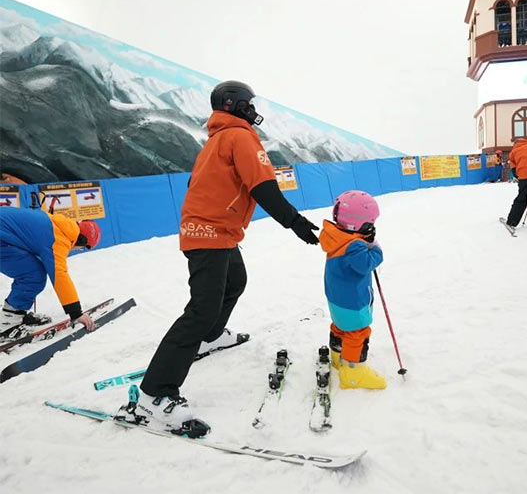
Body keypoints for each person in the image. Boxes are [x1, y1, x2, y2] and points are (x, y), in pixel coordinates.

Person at [121, 80, 320, 434]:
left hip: (217, 231)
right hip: (210, 233)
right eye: (249, 103)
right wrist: (296, 223)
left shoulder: (217, 139)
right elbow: (263, 187)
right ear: (234, 105)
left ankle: (210, 337)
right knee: (201, 310)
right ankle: (154, 396)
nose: (253, 109)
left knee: (235, 281)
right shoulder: (239, 136)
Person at [319, 190, 386, 390]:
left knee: (341, 327)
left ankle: (338, 357)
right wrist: (374, 246)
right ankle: (353, 373)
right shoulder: (353, 246)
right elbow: (367, 263)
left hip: (337, 298)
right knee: (357, 333)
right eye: (370, 223)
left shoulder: (336, 236)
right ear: (360, 224)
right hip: (352, 302)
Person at [0, 206, 99, 334]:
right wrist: (76, 313)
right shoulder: (59, 240)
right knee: (33, 275)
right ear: (82, 241)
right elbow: (59, 275)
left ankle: (16, 313)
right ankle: (8, 323)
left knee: (34, 270)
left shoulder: (57, 224)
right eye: (82, 248)